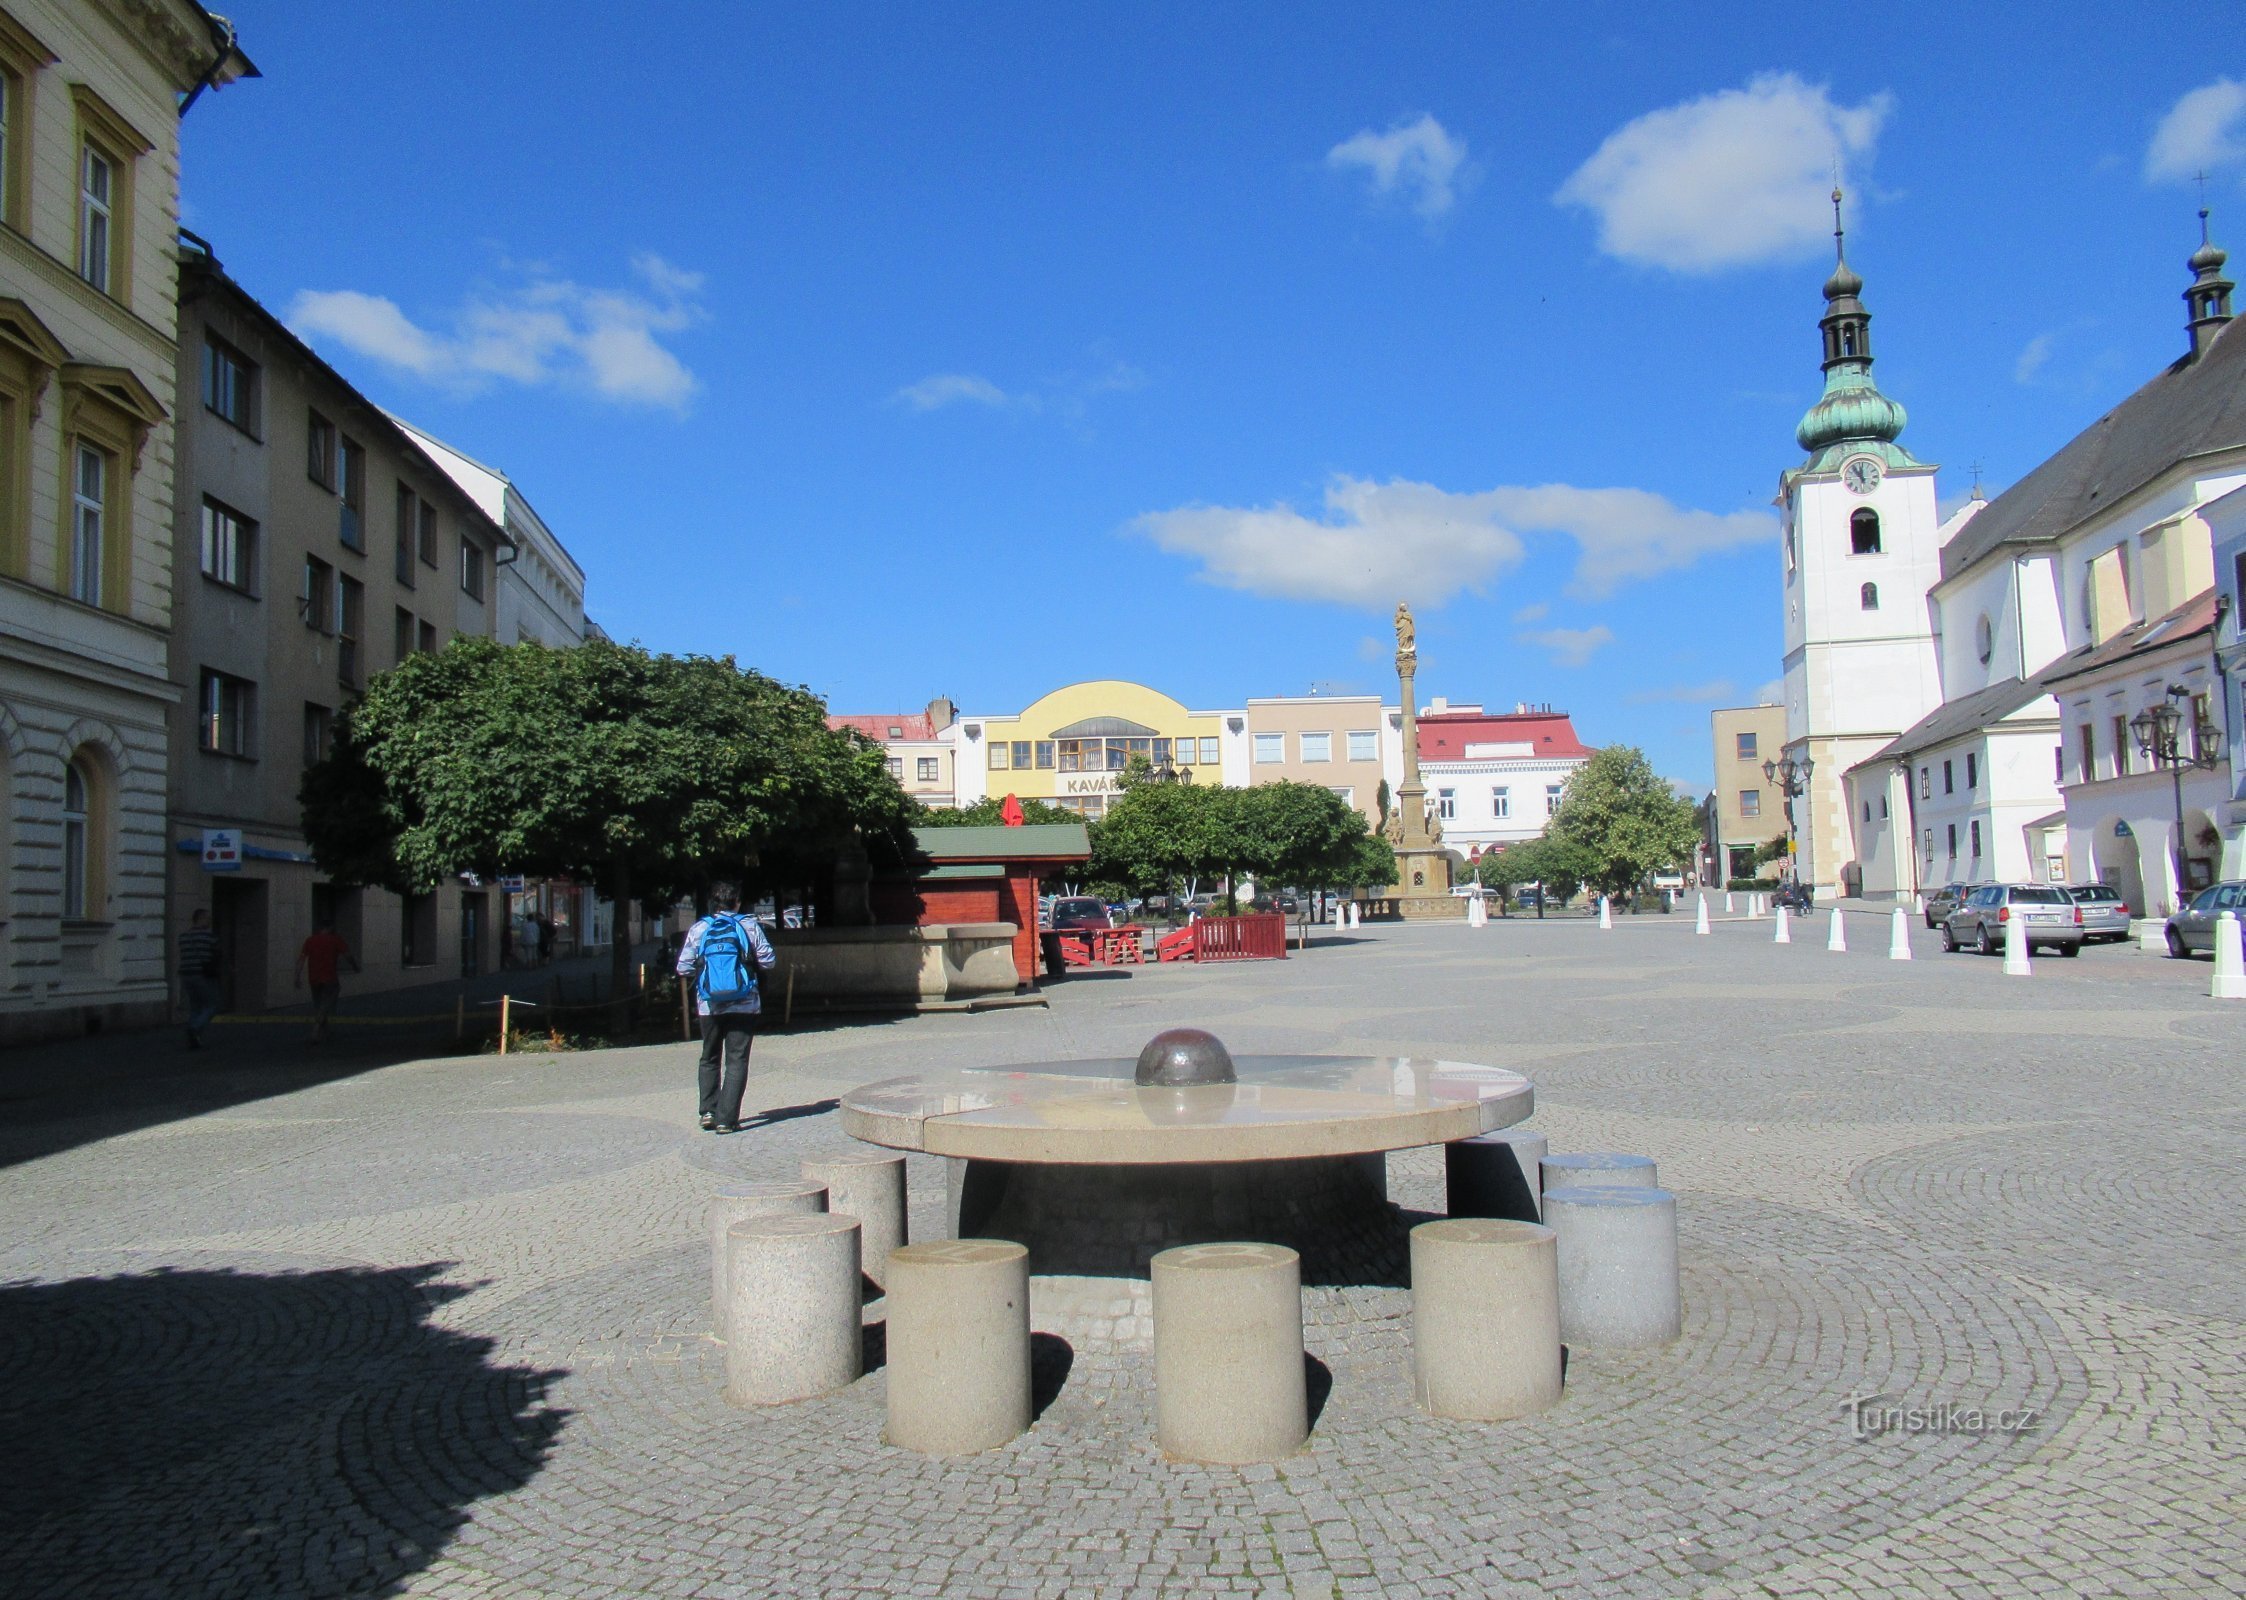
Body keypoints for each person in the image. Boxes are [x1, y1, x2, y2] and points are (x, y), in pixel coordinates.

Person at [675, 884, 777, 1134]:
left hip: (709, 1005)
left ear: (713, 903)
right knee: (737, 1060)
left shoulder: (701, 928)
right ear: (737, 902)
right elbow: (769, 960)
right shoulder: (749, 925)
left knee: (709, 1057)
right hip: (745, 1003)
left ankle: (708, 1111)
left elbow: (683, 967)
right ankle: (726, 1119)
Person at [294, 919, 360, 1045]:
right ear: (329, 928)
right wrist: (355, 967)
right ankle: (316, 1031)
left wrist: (297, 976)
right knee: (326, 1005)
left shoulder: (310, 940)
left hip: (313, 978)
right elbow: (348, 955)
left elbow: (302, 959)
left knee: (319, 1005)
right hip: (330, 978)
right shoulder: (335, 940)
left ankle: (325, 1032)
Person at [178, 908, 223, 1051]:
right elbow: (217, 954)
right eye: (207, 918)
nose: (209, 921)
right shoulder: (210, 937)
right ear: (201, 918)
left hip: (186, 975)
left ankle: (195, 1039)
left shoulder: (183, 937)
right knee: (212, 1005)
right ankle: (194, 1028)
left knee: (195, 1006)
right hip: (203, 975)